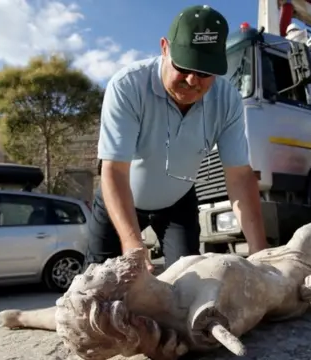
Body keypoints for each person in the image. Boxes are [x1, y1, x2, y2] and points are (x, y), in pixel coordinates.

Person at [88, 5, 268, 272]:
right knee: (97, 287)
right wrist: (133, 246)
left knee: (187, 283)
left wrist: (260, 253)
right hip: (120, 195)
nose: (193, 80)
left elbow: (239, 176)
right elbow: (113, 170)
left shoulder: (228, 100)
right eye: (183, 66)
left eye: (205, 72)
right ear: (164, 48)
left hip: (177, 203)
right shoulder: (127, 86)